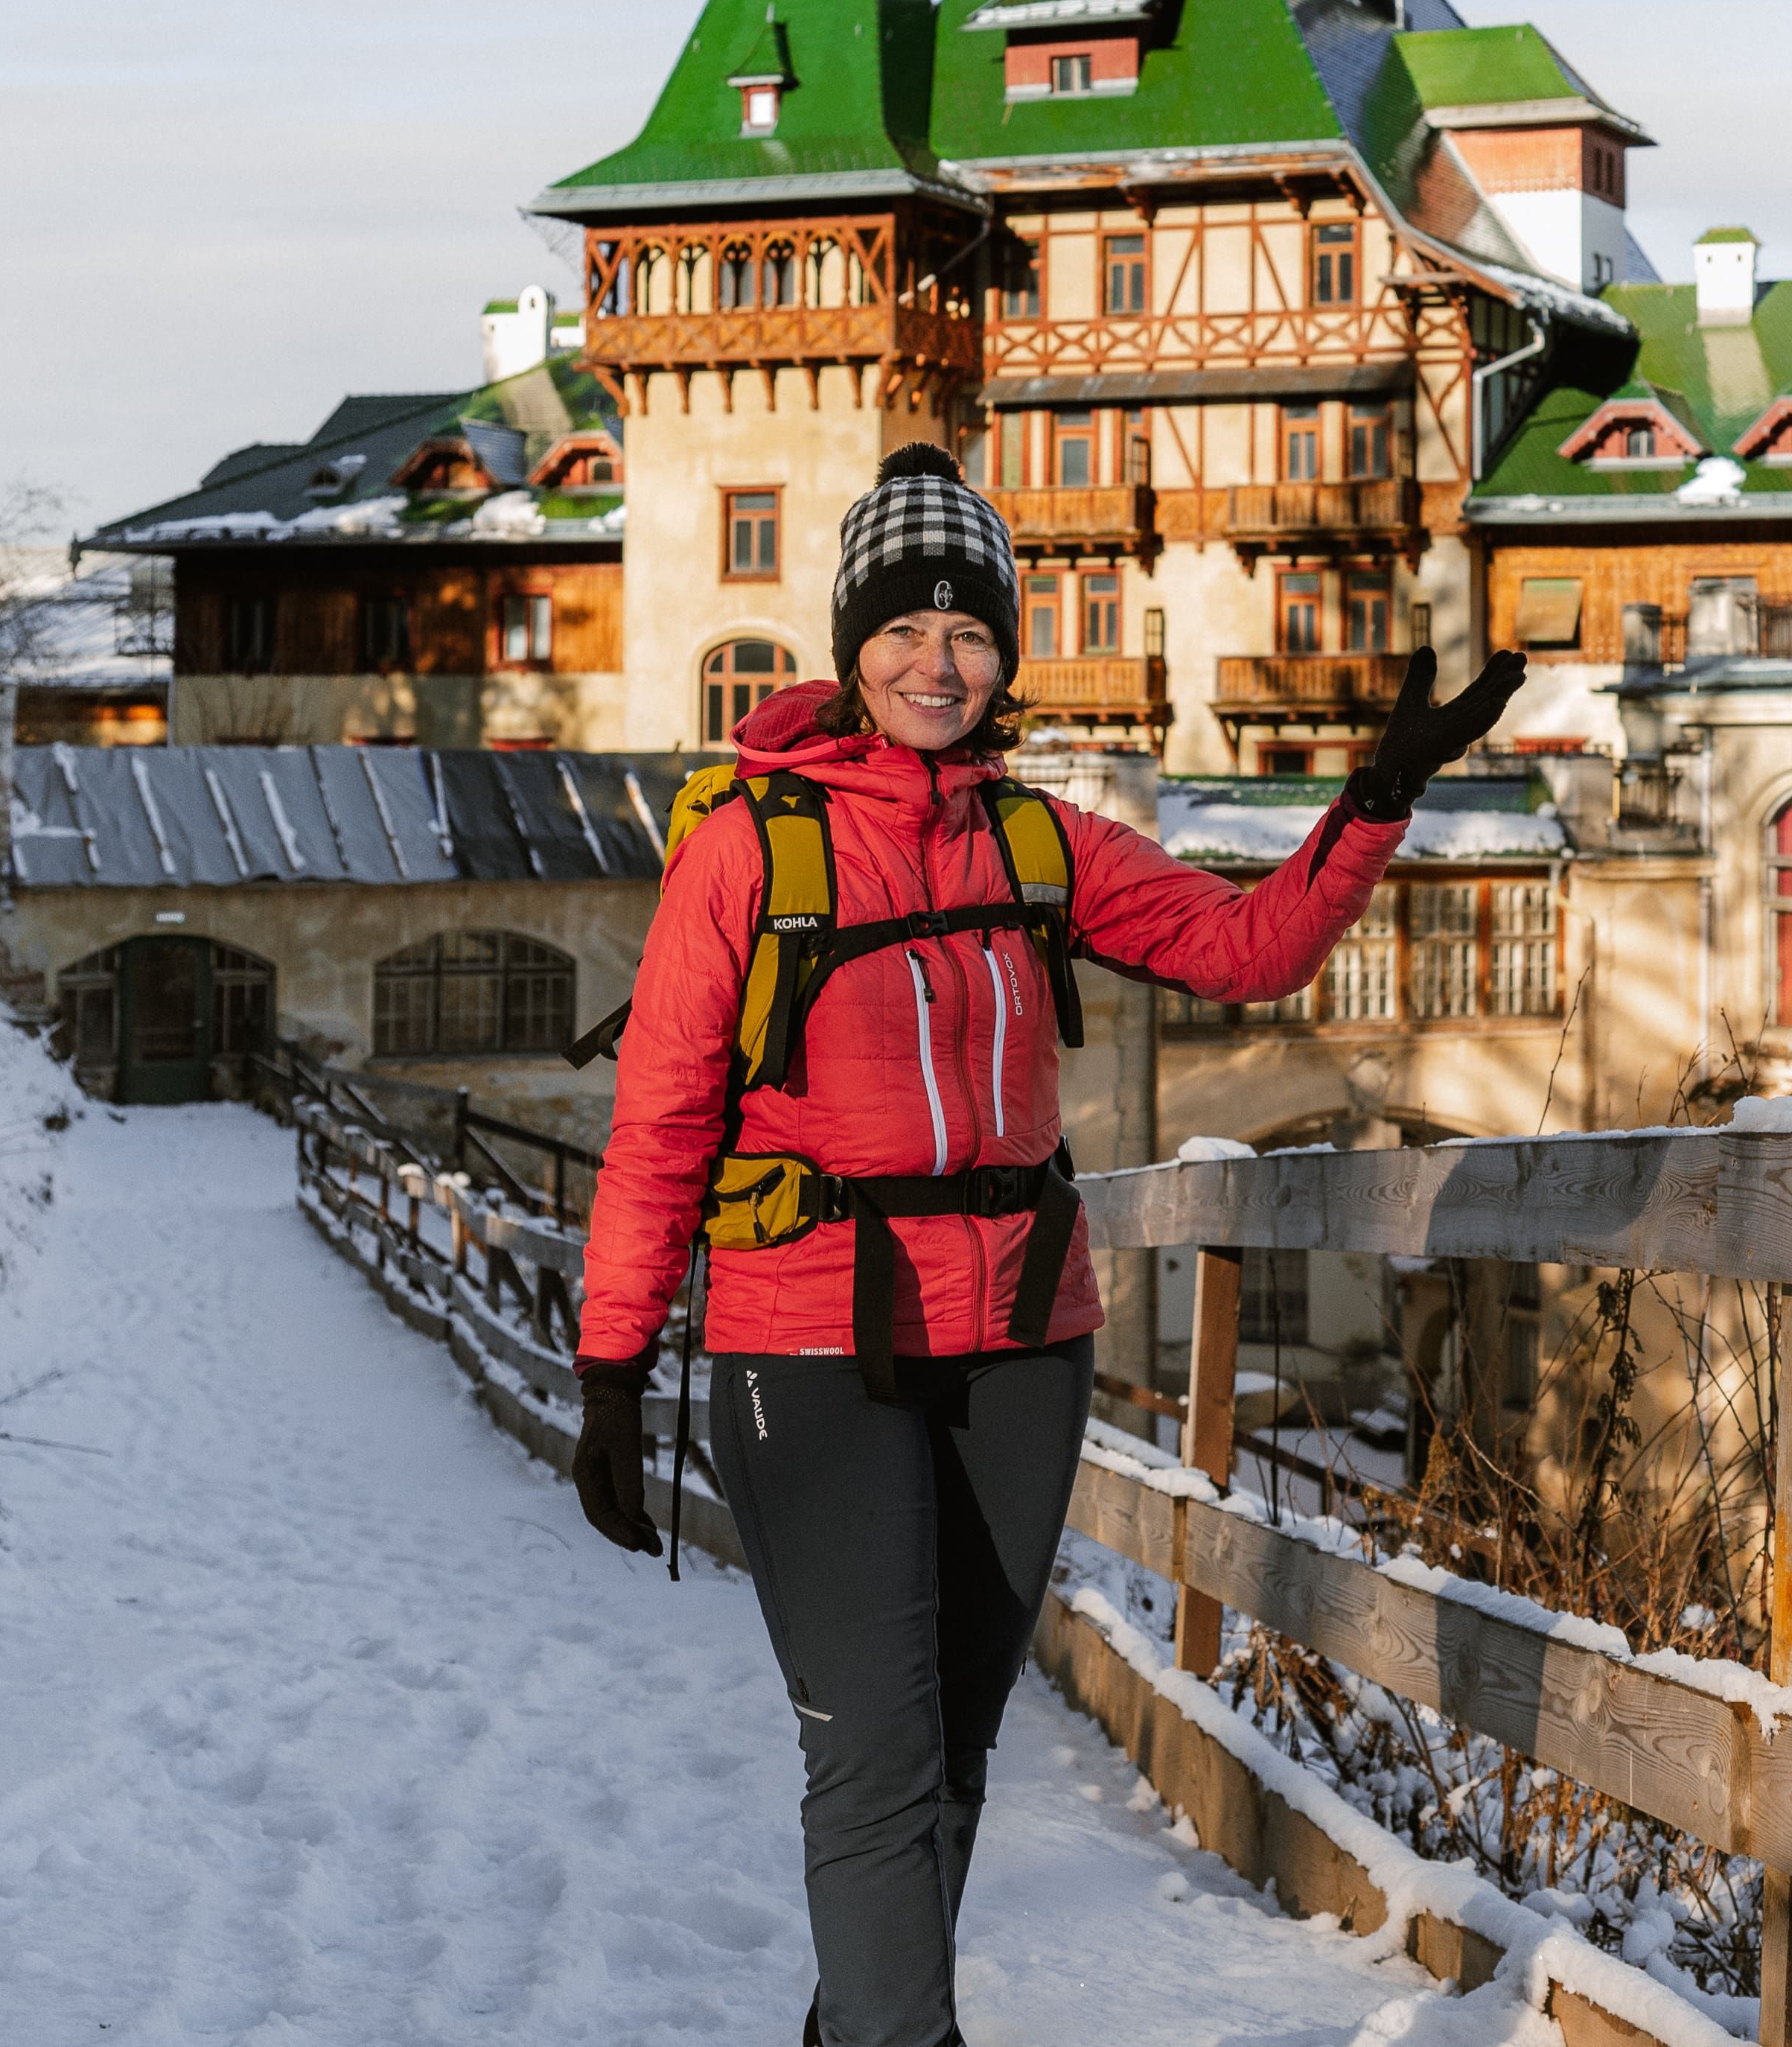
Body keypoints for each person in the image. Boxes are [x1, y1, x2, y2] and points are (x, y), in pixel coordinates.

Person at [567, 442, 1522, 2047]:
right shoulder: (751, 848)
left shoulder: (1035, 843)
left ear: (1004, 652)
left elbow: (1243, 948)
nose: (939, 664)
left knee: (951, 1742)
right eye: (904, 631)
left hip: (1020, 1338)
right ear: (850, 644)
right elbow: (662, 1120)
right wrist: (611, 1368)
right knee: (871, 1746)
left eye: (971, 633)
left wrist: (1373, 797)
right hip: (809, 1344)